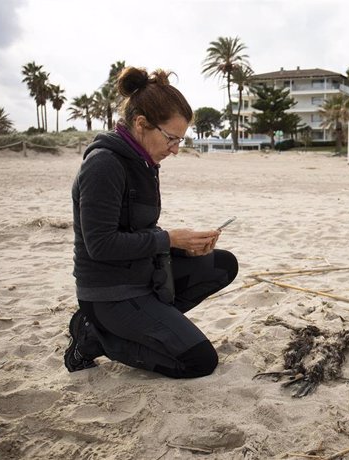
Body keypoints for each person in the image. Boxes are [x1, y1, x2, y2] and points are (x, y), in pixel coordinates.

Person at [64, 66, 238, 379]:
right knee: (199, 362)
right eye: (171, 138)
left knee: (222, 264)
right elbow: (101, 245)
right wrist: (170, 239)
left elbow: (139, 229)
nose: (175, 149)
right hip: (109, 292)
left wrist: (187, 248)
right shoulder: (104, 164)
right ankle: (93, 337)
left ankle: (150, 322)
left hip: (142, 276)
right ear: (141, 124)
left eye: (180, 141)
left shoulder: (143, 162)